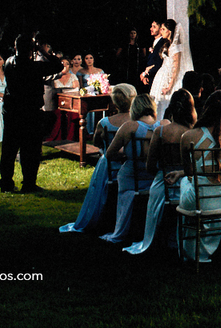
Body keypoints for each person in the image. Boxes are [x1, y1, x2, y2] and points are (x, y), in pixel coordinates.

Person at [125, 89, 197, 255]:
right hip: (189, 185)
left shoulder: (161, 132)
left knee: (156, 188)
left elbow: (150, 166)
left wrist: (159, 174)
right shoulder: (195, 133)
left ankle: (156, 239)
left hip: (163, 184)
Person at [59, 84, 137, 232]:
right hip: (132, 166)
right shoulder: (138, 123)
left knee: (103, 160)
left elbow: (97, 143)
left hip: (110, 166)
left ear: (114, 102)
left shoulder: (105, 123)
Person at [175, 91, 221, 262]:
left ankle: (191, 250)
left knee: (185, 183)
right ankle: (211, 245)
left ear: (205, 109)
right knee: (198, 188)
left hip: (201, 199)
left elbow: (189, 173)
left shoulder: (189, 136)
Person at [0, 32, 65, 193]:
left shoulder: (9, 62)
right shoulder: (34, 66)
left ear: (16, 47)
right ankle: (28, 183)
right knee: (31, 149)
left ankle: (6, 183)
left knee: (9, 148)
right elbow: (59, 66)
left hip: (11, 110)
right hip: (29, 112)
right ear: (31, 49)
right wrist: (43, 51)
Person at [101, 92, 160, 244]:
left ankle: (122, 226)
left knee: (123, 175)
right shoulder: (161, 126)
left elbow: (109, 155)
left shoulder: (129, 127)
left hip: (132, 176)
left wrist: (127, 152)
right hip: (154, 178)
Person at [152, 19, 191, 121]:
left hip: (170, 77)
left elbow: (176, 68)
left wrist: (169, 86)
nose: (161, 31)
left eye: (163, 29)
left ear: (169, 31)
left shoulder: (176, 47)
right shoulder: (167, 44)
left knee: (166, 102)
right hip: (162, 74)